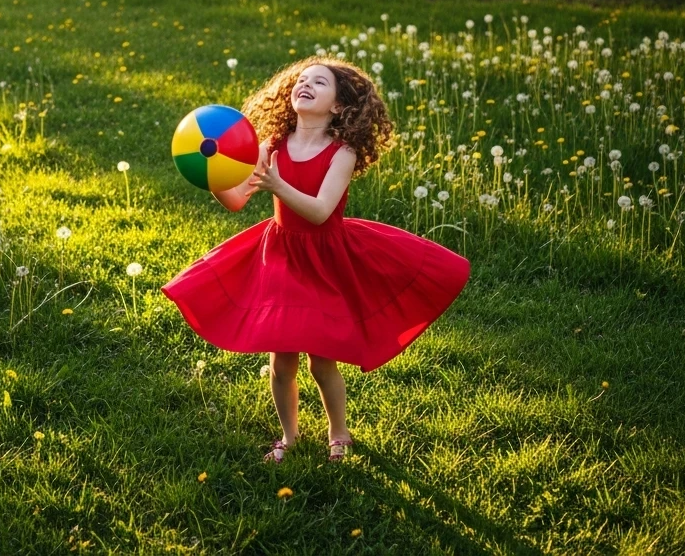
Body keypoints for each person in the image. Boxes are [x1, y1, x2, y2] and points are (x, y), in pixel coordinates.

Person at [161, 58, 471, 463]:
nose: (304, 84)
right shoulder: (271, 145)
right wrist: (213, 177)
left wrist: (277, 183)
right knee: (281, 361)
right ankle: (288, 437)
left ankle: (338, 434)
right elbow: (236, 200)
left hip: (325, 258)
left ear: (339, 106)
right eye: (301, 80)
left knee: (322, 361)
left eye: (319, 83)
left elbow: (321, 211)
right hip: (281, 258)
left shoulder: (341, 151)